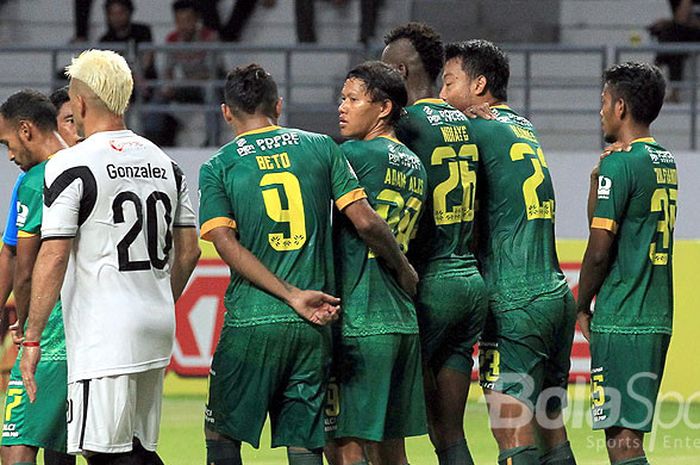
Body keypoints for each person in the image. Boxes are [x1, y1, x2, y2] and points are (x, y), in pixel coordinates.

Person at [200, 63, 417, 465]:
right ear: (279, 106)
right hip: (314, 324)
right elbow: (364, 217)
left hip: (253, 320)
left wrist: (289, 294)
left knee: (222, 433)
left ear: (226, 112)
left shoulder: (219, 166)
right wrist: (404, 268)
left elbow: (224, 244)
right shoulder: (321, 147)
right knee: (304, 441)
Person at [19, 49, 201, 463]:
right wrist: (158, 299)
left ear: (79, 102)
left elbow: (53, 256)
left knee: (100, 451)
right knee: (134, 448)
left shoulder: (69, 165)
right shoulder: (167, 163)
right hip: (156, 326)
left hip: (105, 335)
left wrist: (32, 338)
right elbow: (189, 252)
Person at [440, 40, 577, 465]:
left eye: (449, 83)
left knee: (511, 431)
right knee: (551, 430)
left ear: (479, 85)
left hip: (514, 298)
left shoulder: (472, 131)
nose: (442, 96)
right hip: (554, 294)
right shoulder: (520, 125)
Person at [382, 23, 487, 465]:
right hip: (470, 282)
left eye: (383, 70)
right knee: (448, 431)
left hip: (430, 284)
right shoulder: (465, 121)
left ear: (401, 71)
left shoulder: (403, 124)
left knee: (386, 427)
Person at [328, 60, 427, 465]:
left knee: (345, 448)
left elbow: (364, 224)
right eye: (342, 98)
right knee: (391, 452)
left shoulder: (355, 154)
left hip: (361, 318)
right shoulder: (416, 164)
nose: (342, 107)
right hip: (401, 321)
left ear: (383, 108)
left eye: (352, 99)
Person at [577, 62, 675, 465]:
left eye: (603, 102)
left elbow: (599, 249)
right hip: (655, 313)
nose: (599, 111)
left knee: (622, 441)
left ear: (620, 107)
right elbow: (608, 226)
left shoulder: (623, 164)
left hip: (623, 317)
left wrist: (580, 304)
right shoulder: (662, 160)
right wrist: (596, 178)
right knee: (626, 436)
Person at [0, 90, 75, 465]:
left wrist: (27, 325)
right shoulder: (87, 165)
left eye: (8, 143)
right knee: (70, 448)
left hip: (52, 332)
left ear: (26, 130)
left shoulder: (37, 180)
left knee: (16, 445)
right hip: (96, 329)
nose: (10, 154)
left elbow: (25, 270)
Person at [157, 0, 223, 146]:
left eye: (187, 20)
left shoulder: (210, 37)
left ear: (196, 20)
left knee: (210, 91)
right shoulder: (172, 39)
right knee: (159, 95)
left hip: (206, 85)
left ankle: (212, 141)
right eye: (179, 21)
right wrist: (168, 84)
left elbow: (213, 71)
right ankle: (159, 140)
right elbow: (167, 69)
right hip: (185, 85)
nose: (183, 25)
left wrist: (185, 81)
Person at [649, 0, 700, 101]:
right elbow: (681, 20)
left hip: (693, 33)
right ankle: (674, 92)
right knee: (674, 43)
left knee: (671, 34)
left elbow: (682, 19)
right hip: (684, 34)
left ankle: (655, 68)